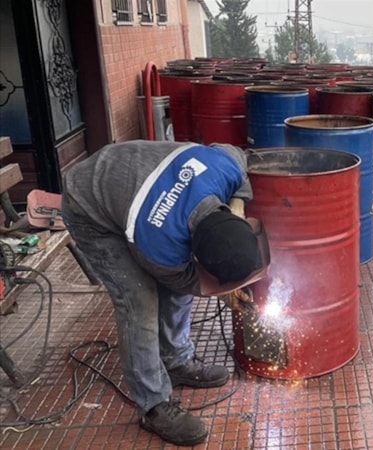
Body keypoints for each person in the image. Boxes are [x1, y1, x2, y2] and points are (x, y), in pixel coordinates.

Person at [61, 140, 269, 446]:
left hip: (131, 178)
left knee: (174, 291)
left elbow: (238, 153)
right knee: (139, 300)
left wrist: (238, 204)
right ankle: (153, 405)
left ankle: (176, 361)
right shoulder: (160, 247)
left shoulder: (223, 168)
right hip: (90, 205)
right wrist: (223, 292)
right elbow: (182, 281)